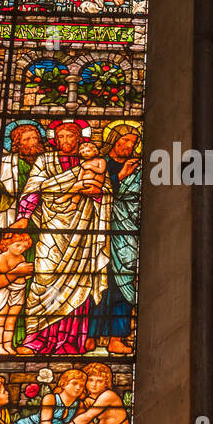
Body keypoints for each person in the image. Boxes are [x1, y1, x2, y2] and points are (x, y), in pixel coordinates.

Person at [17, 122, 110, 353]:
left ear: (80, 139)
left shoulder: (92, 163)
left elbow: (105, 190)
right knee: (44, 275)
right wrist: (23, 217)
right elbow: (32, 190)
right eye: (61, 136)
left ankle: (72, 339)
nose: (65, 140)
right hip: (51, 227)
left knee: (80, 280)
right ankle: (37, 337)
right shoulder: (45, 161)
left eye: (71, 136)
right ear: (54, 140)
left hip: (84, 228)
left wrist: (98, 194)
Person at [87, 125, 141, 354]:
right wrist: (119, 177)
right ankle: (90, 335)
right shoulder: (100, 165)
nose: (129, 146)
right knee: (96, 284)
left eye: (133, 142)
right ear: (113, 140)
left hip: (126, 233)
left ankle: (116, 338)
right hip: (98, 232)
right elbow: (91, 191)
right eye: (125, 141)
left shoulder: (139, 167)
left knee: (122, 284)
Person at [12, 367, 88, 424]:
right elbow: (45, 423)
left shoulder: (79, 405)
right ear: (63, 384)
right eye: (74, 383)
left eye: (82, 385)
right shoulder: (51, 398)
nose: (78, 387)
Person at [0, 228, 34, 354]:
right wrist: (19, 271)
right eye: (17, 245)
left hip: (19, 290)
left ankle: (7, 346)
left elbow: (22, 274)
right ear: (7, 244)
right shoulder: (1, 258)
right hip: (4, 291)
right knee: (0, 317)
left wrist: (26, 275)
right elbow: (4, 277)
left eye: (24, 247)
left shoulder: (21, 258)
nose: (21, 249)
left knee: (11, 320)